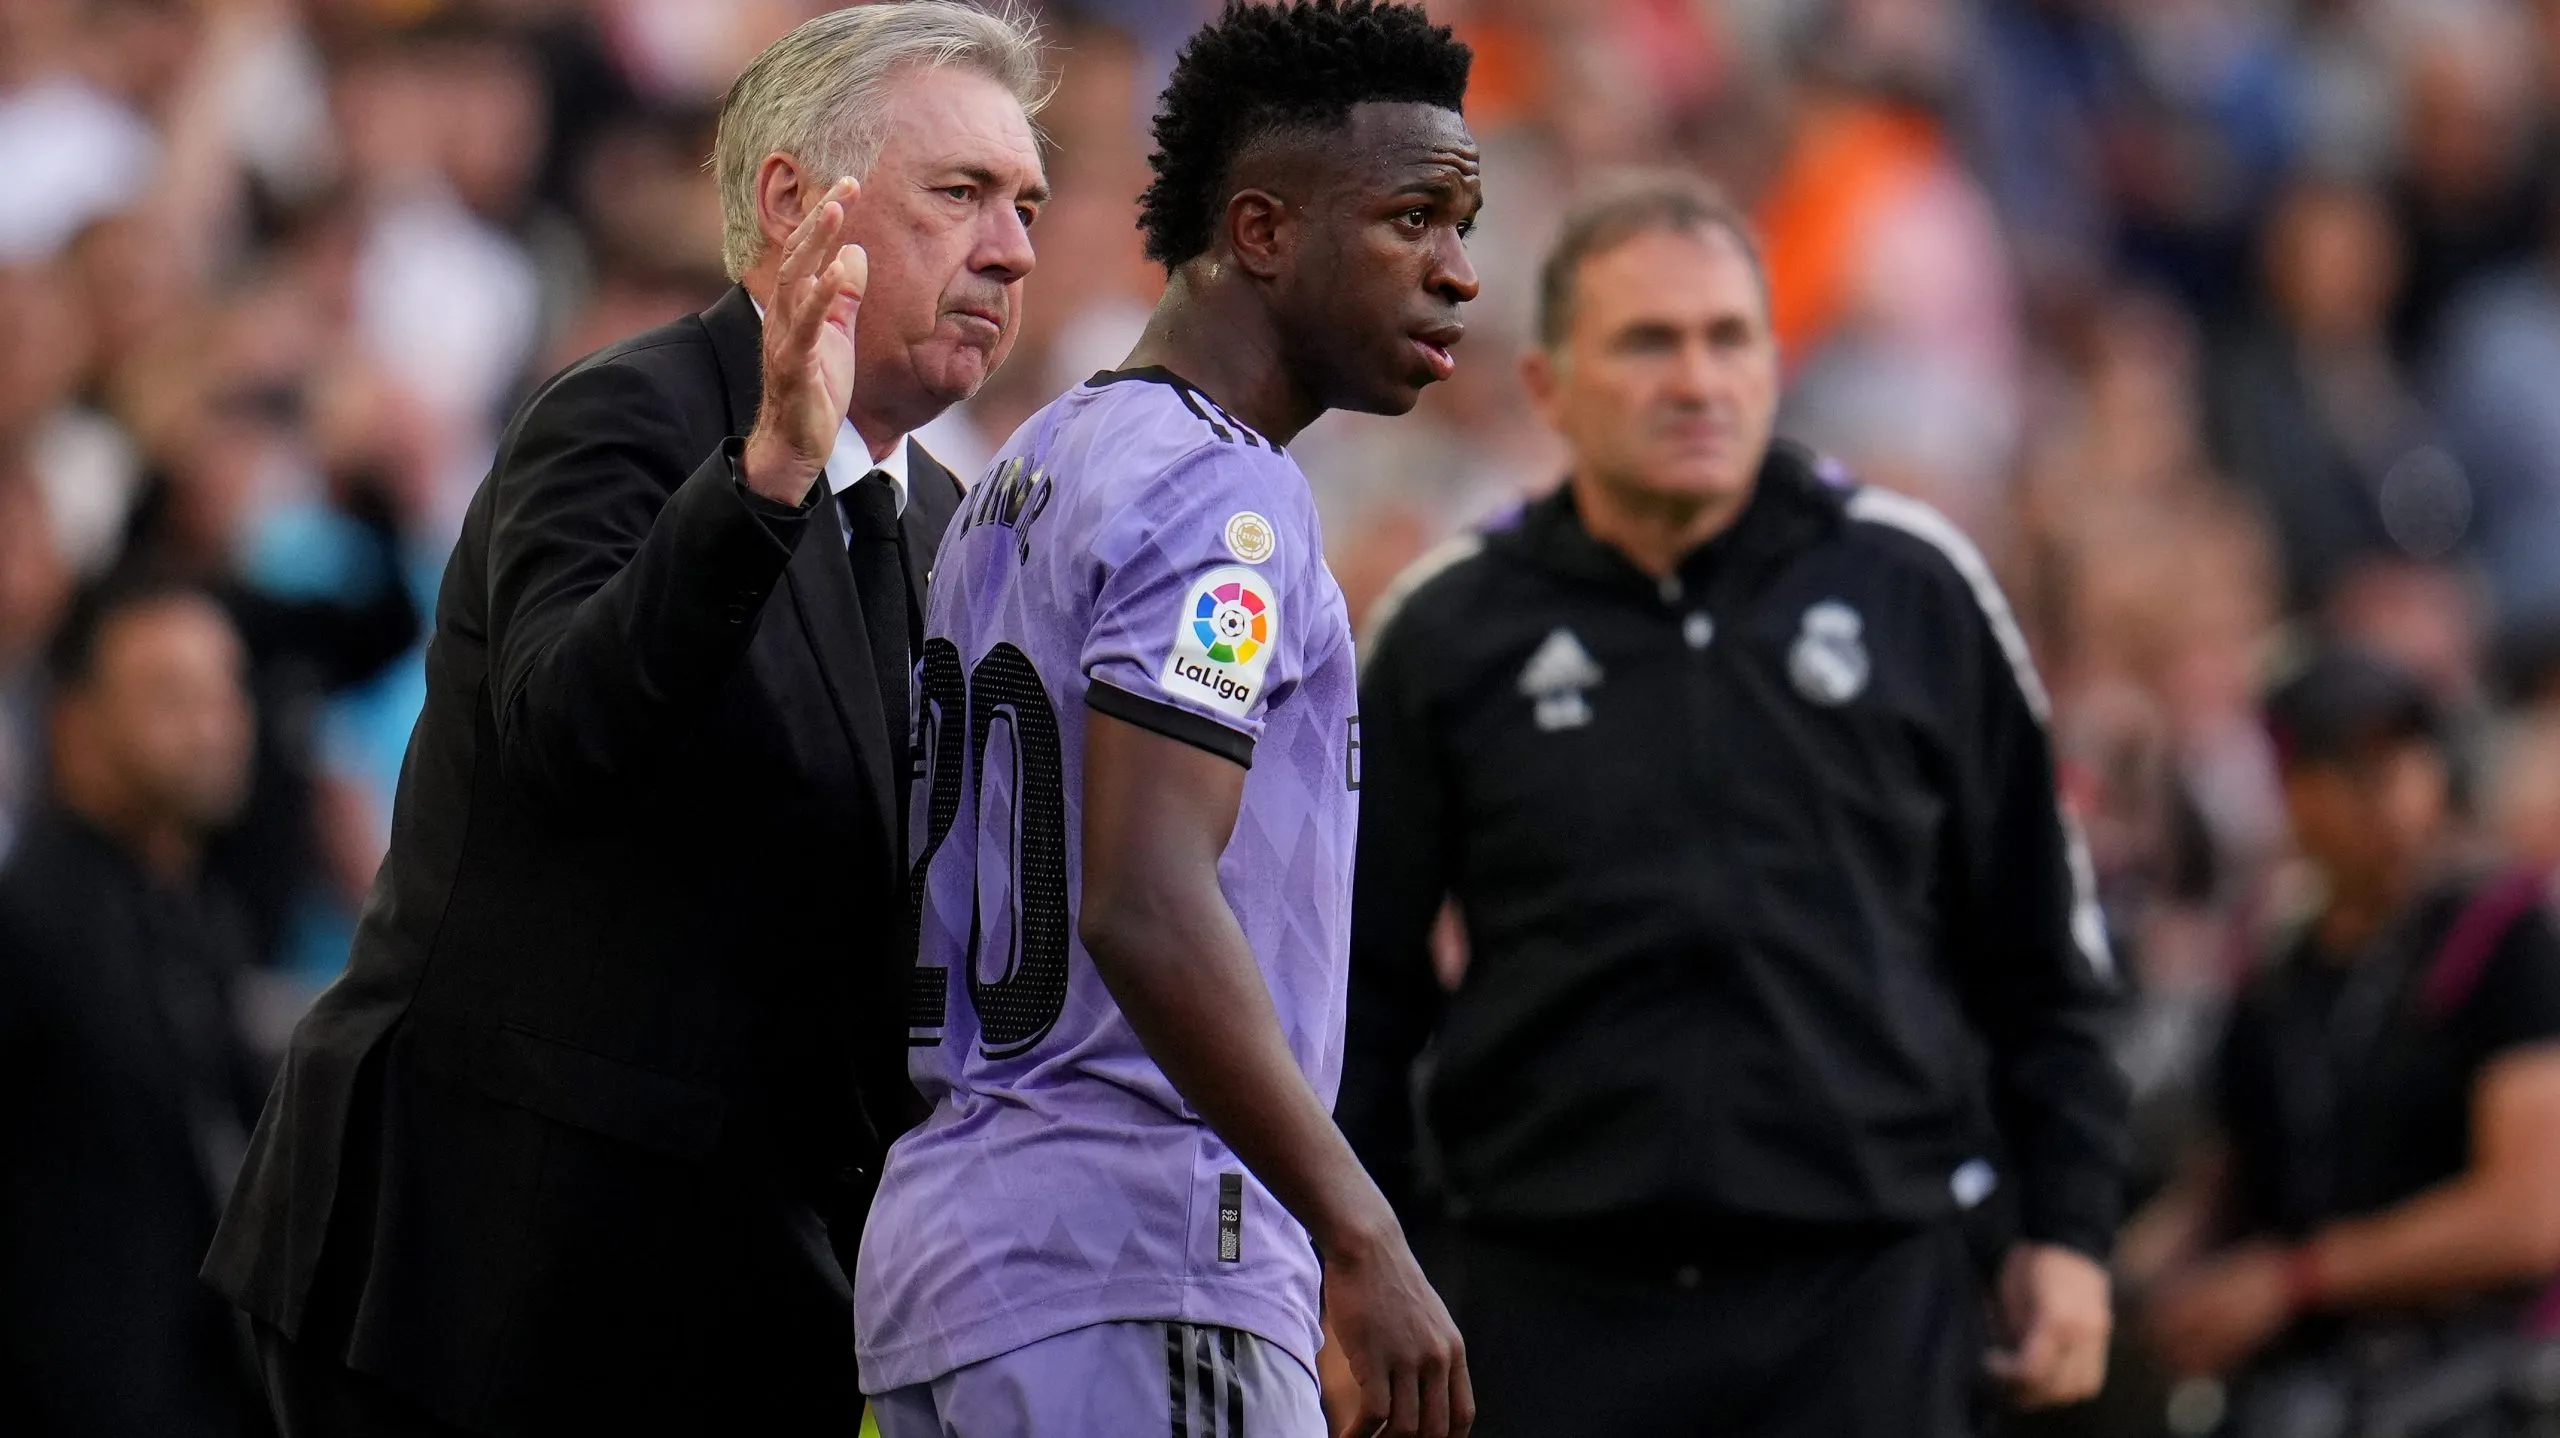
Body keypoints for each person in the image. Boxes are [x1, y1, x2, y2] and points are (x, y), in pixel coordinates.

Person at [199, 6, 1049, 1434]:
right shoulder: (625, 420)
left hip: (728, 1304)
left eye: (1025, 203)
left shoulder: (946, 524)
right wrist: (764, 483)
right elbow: (567, 741)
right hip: (481, 1289)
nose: (1014, 248)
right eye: (959, 193)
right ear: (795, 202)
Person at [1338, 172, 2128, 1437]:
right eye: (1648, 342)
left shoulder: (1915, 588)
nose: (1696, 381)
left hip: (1867, 1298)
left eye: (1728, 339)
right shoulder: (1449, 628)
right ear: (1548, 386)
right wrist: (1358, 1267)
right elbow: (1355, 995)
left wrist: (2071, 1233)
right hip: (1547, 1305)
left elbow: (2045, 958)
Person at [855, 4, 1477, 1435]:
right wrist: (1358, 1228)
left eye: (1464, 224)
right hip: (1131, 1257)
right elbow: (1142, 897)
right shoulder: (1222, 499)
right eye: (1413, 219)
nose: (1456, 273)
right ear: (1261, 229)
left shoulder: (1034, 459)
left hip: (953, 1260)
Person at [2135, 649, 2560, 1435]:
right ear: (2291, 790)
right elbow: (2223, 1183)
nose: (2388, 794)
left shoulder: (2499, 934)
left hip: (2480, 1372)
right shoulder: (2274, 967)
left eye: (2405, 756)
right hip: (2308, 1379)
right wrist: (2121, 1288)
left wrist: (2298, 1279)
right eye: (2350, 767)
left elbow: (2531, 1215)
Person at [0, 576, 267, 1437]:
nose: (214, 724)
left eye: (225, 690)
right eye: (170, 697)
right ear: (73, 725)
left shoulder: (202, 911)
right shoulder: (30, 923)